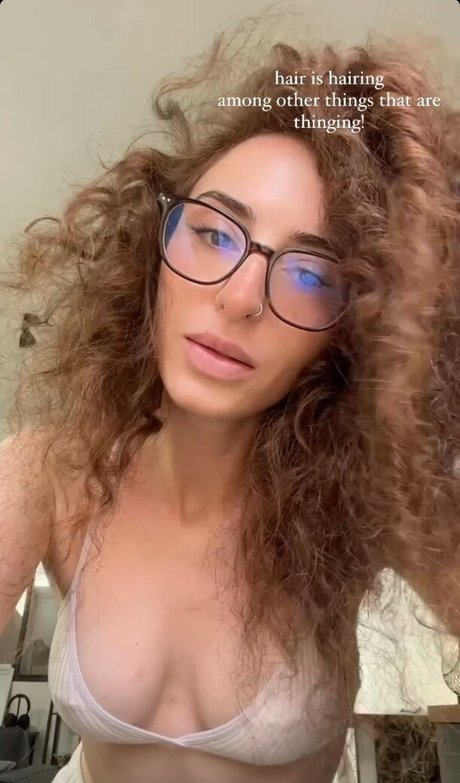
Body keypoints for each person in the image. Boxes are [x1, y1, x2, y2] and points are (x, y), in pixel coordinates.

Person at [1, 12, 459, 783]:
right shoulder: (52, 471)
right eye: (214, 234)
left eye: (311, 274)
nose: (241, 297)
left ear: (354, 332)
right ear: (154, 252)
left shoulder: (365, 499)